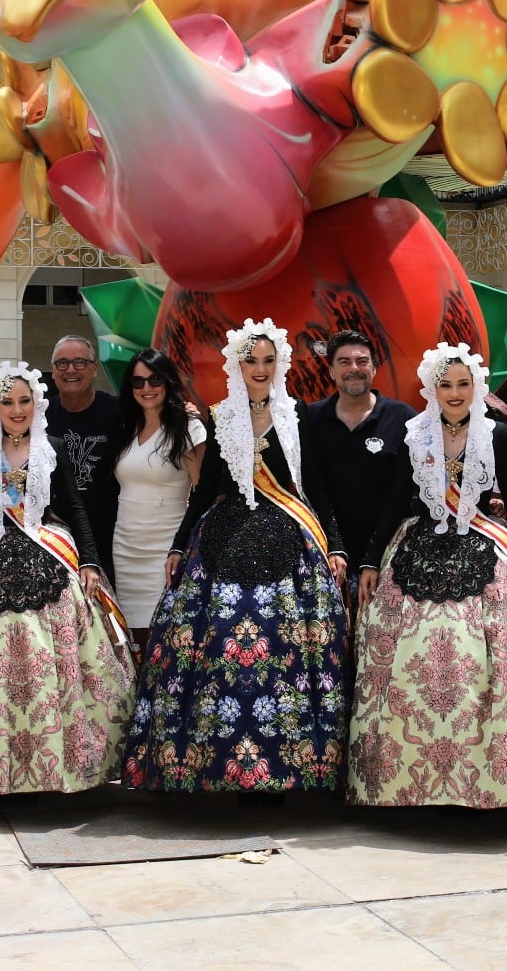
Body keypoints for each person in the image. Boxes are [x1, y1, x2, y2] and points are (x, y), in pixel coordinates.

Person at [123, 319, 349, 794]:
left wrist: (337, 544)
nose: (261, 369)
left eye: (269, 361)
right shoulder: (220, 416)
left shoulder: (300, 417)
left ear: (279, 363)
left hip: (294, 542)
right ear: (237, 366)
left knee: (289, 652)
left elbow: (321, 488)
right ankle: (216, 767)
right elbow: (205, 489)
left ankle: (290, 769)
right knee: (213, 644)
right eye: (252, 361)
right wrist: (181, 545)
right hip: (224, 539)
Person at [348, 343, 507, 808]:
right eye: (445, 385)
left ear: (476, 387)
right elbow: (393, 501)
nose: (453, 393)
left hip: (485, 545)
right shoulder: (414, 434)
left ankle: (494, 781)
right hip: (420, 546)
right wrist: (369, 560)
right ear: (432, 388)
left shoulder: (497, 433)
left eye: (463, 384)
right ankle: (413, 781)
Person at [0, 363, 133, 799]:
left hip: (45, 549)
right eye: (8, 402)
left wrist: (89, 561)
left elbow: (73, 505)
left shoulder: (51, 446)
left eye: (24, 401)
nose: (17, 410)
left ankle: (54, 767)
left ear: (37, 403)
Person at [299, 329, 416, 584]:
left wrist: (374, 557)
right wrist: (334, 546)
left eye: (362, 361)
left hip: (389, 552)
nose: (354, 368)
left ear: (374, 369)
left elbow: (401, 494)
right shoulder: (310, 419)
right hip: (327, 551)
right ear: (330, 371)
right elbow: (313, 487)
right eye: (344, 362)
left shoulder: (404, 418)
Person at [108, 348, 206, 641]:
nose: (146, 388)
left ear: (168, 382)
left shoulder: (188, 427)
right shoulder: (126, 426)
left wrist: (184, 548)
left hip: (167, 546)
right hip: (125, 545)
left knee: (167, 633)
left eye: (154, 380)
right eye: (138, 382)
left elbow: (202, 493)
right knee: (132, 635)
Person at [44, 335, 119, 582]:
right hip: (55, 536)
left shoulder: (119, 412)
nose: (71, 370)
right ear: (53, 372)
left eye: (80, 362)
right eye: (62, 363)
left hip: (111, 536)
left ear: (94, 368)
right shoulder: (39, 417)